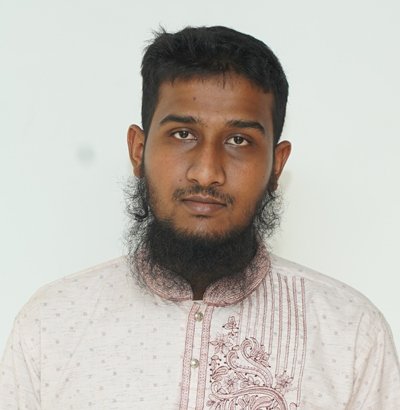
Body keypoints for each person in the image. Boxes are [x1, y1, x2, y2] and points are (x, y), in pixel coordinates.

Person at [1, 26, 399, 410]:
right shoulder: (52, 323)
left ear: (276, 165)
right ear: (138, 150)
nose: (207, 173)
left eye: (239, 140)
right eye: (183, 134)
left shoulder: (351, 332)